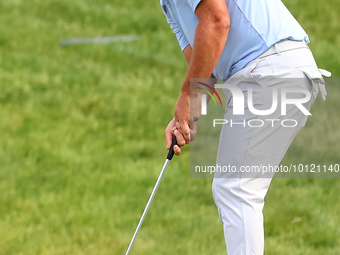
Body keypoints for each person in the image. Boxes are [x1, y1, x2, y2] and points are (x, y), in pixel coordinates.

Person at [161, 0, 330, 254]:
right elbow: (204, 66)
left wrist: (187, 96)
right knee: (234, 186)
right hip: (267, 70)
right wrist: (188, 117)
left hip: (271, 66)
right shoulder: (167, 4)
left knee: (236, 187)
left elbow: (218, 22)